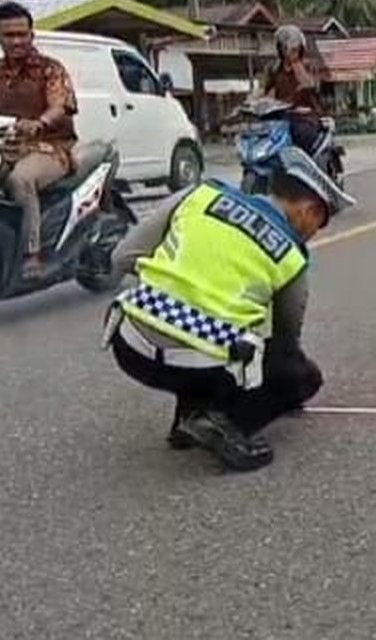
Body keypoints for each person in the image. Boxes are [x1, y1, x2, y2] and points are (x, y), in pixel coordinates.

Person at [103, 148, 355, 472]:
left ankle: (190, 416)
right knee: (295, 373)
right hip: (196, 361)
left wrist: (178, 282)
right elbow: (285, 345)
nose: (314, 233)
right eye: (319, 223)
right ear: (309, 209)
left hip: (129, 343)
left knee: (207, 334)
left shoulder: (199, 194)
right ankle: (220, 422)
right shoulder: (291, 256)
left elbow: (122, 258)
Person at [0, 0, 79, 279]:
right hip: (7, 148)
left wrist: (40, 122)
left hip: (51, 148)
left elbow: (61, 104)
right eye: (9, 35)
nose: (17, 41)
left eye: (22, 34)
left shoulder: (50, 69)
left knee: (19, 181)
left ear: (32, 35)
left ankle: (32, 255)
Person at [262, 24, 324, 158]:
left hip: (305, 117)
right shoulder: (274, 69)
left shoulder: (308, 65)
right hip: (281, 117)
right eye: (285, 47)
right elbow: (265, 91)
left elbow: (309, 84)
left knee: (301, 134)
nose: (289, 50)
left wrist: (296, 63)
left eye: (294, 48)